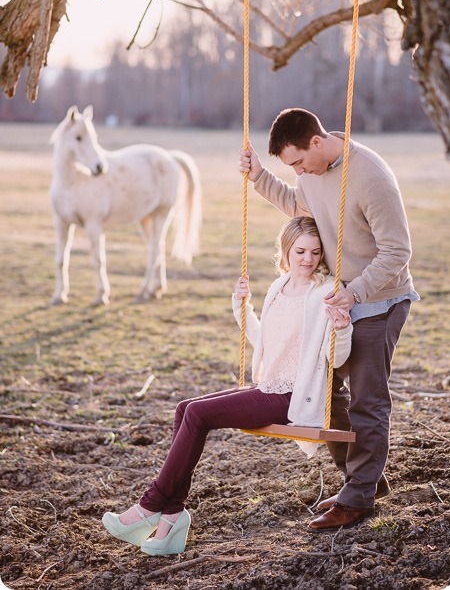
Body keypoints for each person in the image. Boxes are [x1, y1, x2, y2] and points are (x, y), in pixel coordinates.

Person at [102, 216, 352, 555]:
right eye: (300, 251)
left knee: (199, 415)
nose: (308, 259)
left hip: (293, 396)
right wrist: (242, 307)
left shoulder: (324, 291)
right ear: (286, 252)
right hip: (269, 386)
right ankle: (171, 518)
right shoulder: (279, 288)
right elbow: (265, 340)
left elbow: (335, 359)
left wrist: (343, 328)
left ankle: (151, 505)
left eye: (315, 252)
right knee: (184, 409)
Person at [238, 107, 419, 532]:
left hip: (380, 300)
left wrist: (356, 292)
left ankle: (358, 497)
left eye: (299, 162)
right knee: (324, 394)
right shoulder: (313, 171)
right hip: (337, 301)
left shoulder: (370, 176)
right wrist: (260, 176)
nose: (299, 171)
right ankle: (365, 480)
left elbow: (398, 251)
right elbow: (299, 206)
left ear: (316, 142)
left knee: (367, 399)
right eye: (292, 167)